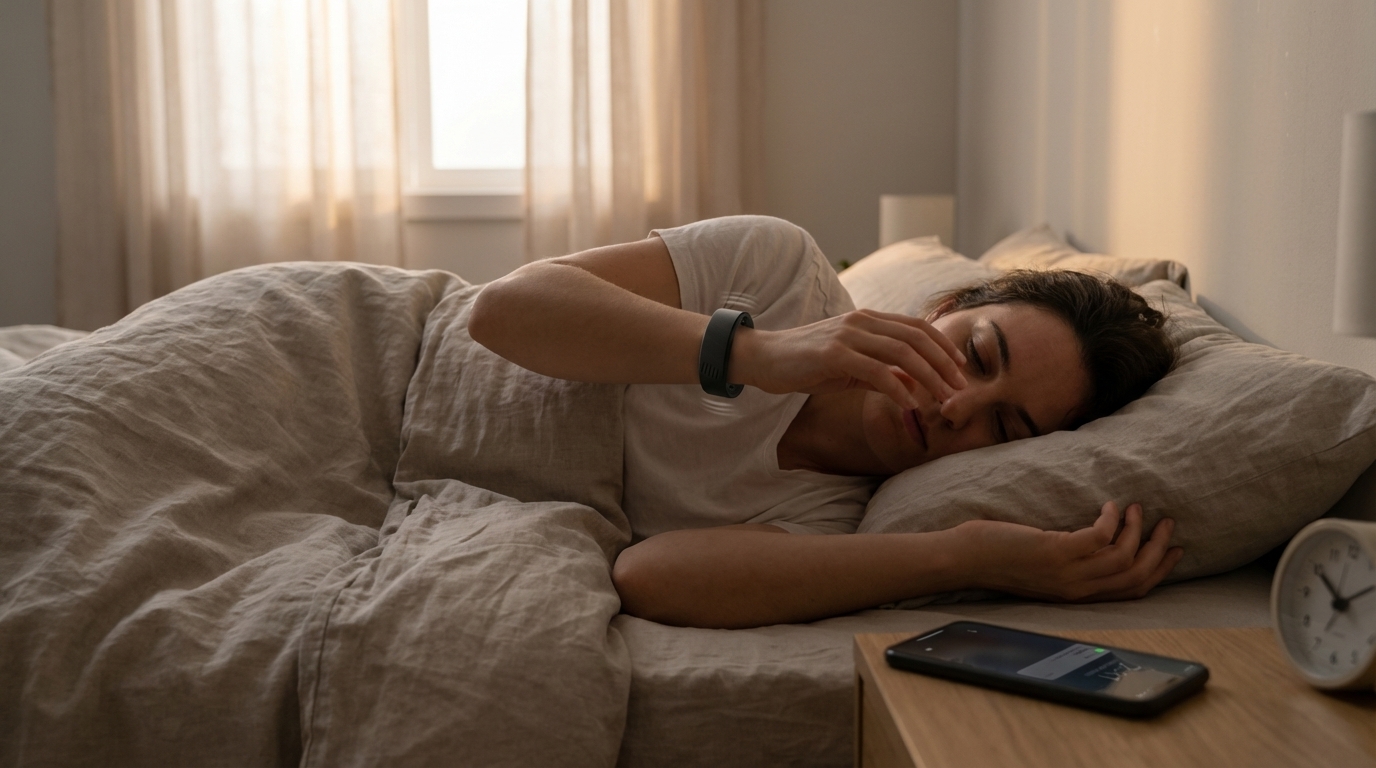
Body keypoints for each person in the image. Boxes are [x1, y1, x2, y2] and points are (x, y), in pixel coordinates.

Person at [469, 215, 1182, 629]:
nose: (955, 406)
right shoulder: (778, 268)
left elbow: (648, 576)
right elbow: (503, 307)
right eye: (975, 353)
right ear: (942, 309)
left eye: (1004, 429)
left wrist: (966, 555)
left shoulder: (836, 522)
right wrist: (755, 351)